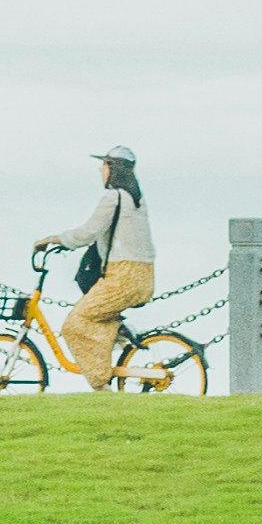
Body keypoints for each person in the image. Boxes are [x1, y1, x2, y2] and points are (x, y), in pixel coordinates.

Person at [48, 149, 156, 387]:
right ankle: (118, 332)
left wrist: (55, 239)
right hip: (144, 277)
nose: (101, 170)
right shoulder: (137, 200)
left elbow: (88, 232)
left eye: (104, 165)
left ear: (112, 169)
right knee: (95, 315)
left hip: (122, 277)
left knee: (73, 325)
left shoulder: (114, 197)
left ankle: (100, 384)